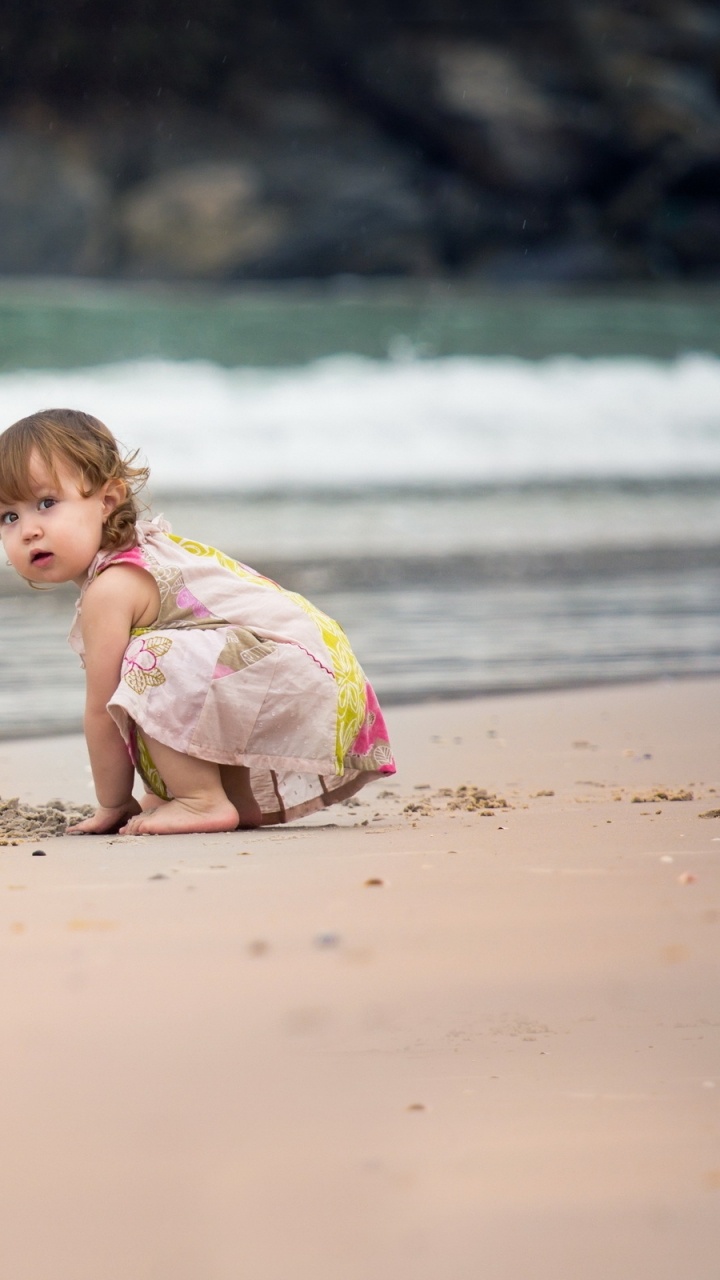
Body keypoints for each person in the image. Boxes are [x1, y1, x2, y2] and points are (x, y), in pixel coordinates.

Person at [0, 408, 396, 835]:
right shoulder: (140, 554)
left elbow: (102, 711)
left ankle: (201, 799)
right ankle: (232, 799)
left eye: (46, 503)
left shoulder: (111, 588)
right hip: (320, 667)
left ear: (107, 501)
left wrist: (113, 804)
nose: (28, 530)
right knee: (176, 659)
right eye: (9, 516)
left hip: (300, 673)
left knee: (149, 660)